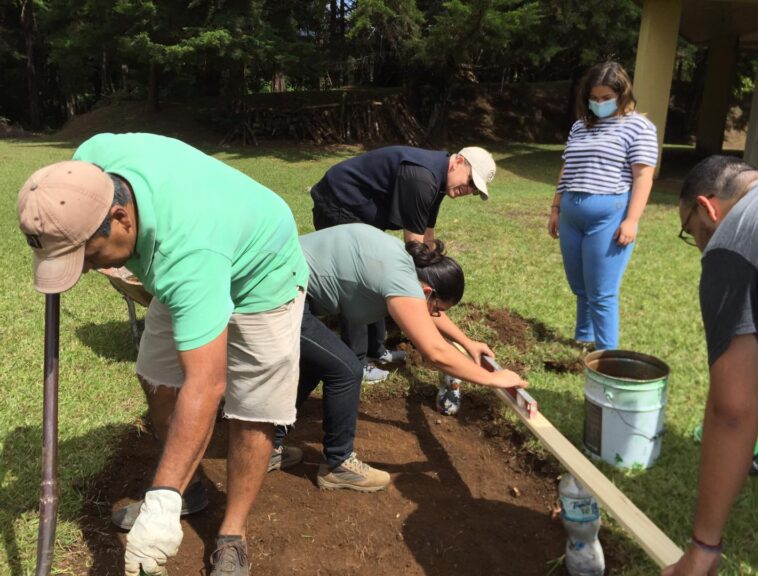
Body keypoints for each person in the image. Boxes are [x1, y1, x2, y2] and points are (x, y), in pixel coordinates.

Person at [16, 132, 309, 576]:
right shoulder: (81, 172)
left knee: (253, 408)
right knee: (155, 375)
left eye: (88, 255)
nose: (89, 268)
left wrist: (160, 499)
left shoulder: (187, 254)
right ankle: (185, 491)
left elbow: (207, 384)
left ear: (120, 218)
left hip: (260, 273)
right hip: (192, 257)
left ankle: (232, 534)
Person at [274, 223, 528, 492]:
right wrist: (492, 379)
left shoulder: (402, 262)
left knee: (320, 362)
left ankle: (270, 444)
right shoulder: (400, 278)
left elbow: (423, 311)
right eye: (436, 309)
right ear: (428, 291)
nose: (433, 315)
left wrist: (467, 342)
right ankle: (338, 465)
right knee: (347, 369)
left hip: (282, 280)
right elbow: (435, 352)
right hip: (277, 292)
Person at [662, 156, 758, 576]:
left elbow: (732, 410)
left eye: (693, 233)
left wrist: (703, 547)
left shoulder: (734, 241)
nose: (701, 246)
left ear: (708, 209)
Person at [310, 145, 496, 382]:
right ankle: (357, 361)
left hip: (362, 215)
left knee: (380, 277)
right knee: (360, 281)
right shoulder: (422, 178)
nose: (467, 189)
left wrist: (435, 272)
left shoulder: (439, 180)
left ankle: (376, 349)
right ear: (458, 162)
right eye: (470, 181)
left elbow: (428, 235)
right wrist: (421, 292)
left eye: (473, 189)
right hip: (338, 202)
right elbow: (414, 249)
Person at [548, 61, 657, 351]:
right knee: (580, 285)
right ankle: (583, 338)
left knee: (602, 291)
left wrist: (631, 220)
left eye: (606, 97)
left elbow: (643, 176)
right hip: (572, 211)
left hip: (609, 214)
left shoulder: (639, 127)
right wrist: (556, 207)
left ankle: (607, 356)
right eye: (594, 98)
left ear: (622, 94)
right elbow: (567, 167)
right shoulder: (580, 126)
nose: (599, 103)